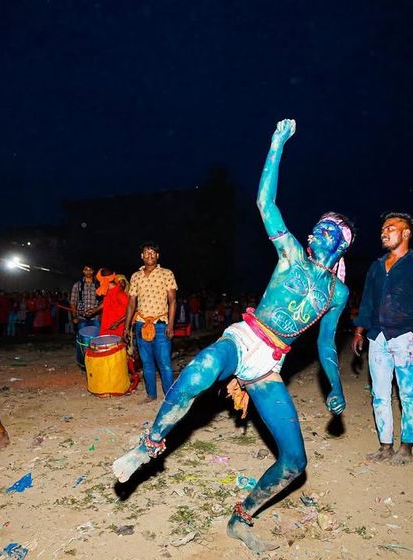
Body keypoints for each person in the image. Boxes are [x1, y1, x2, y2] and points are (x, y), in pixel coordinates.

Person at [113, 119, 355, 554]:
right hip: (246, 337)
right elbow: (265, 201)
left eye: (329, 229)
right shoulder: (291, 254)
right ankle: (148, 447)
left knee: (295, 462)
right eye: (318, 225)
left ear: (341, 244)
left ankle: (241, 516)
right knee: (202, 366)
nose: (318, 230)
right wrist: (277, 144)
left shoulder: (337, 292)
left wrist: (336, 389)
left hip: (270, 364)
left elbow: (324, 345)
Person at [352, 212, 412, 465]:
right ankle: (385, 445)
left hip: (406, 336)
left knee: (408, 394)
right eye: (382, 229)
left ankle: (407, 446)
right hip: (377, 337)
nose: (384, 232)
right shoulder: (376, 267)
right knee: (380, 394)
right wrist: (359, 330)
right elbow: (366, 301)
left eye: (390, 228)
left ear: (406, 232)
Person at [123, 242, 177, 403]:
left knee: (165, 363)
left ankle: (170, 396)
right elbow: (131, 303)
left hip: (161, 324)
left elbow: (173, 301)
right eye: (146, 253)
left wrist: (171, 325)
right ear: (142, 256)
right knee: (146, 362)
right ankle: (151, 394)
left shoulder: (167, 273)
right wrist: (126, 327)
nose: (149, 255)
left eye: (153, 252)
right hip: (140, 324)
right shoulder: (135, 276)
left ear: (157, 256)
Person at [88, 268, 129, 338]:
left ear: (104, 281)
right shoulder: (109, 291)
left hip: (116, 330)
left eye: (100, 281)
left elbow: (131, 310)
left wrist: (118, 323)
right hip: (106, 328)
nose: (99, 284)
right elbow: (106, 303)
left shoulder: (120, 293)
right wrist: (94, 310)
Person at [70, 265, 101, 330]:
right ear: (83, 271)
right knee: (83, 339)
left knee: (95, 339)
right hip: (81, 319)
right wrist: (74, 317)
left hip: (95, 318)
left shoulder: (98, 285)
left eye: (90, 270)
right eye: (86, 270)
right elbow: (73, 302)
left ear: (93, 271)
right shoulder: (77, 285)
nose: (88, 272)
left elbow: (102, 302)